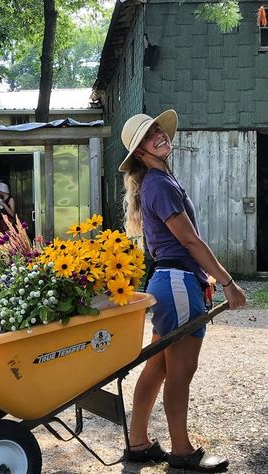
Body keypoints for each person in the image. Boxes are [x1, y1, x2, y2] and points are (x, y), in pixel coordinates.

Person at [119, 110, 246, 472]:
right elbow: (190, 240)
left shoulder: (159, 181)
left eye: (158, 129)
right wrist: (227, 281)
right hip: (176, 282)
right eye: (150, 135)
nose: (159, 135)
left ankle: (139, 443)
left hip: (170, 281)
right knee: (180, 371)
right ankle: (182, 451)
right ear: (140, 153)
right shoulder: (159, 185)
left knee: (159, 366)